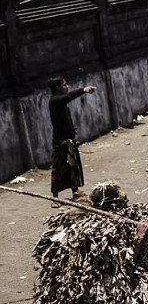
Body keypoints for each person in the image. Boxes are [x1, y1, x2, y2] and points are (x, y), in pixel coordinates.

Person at [48, 77, 96, 207]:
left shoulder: (61, 103)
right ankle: (55, 198)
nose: (67, 86)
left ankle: (75, 192)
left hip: (69, 140)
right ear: (58, 88)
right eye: (64, 85)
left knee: (73, 166)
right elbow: (68, 97)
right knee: (58, 168)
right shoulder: (54, 101)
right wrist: (83, 90)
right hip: (60, 141)